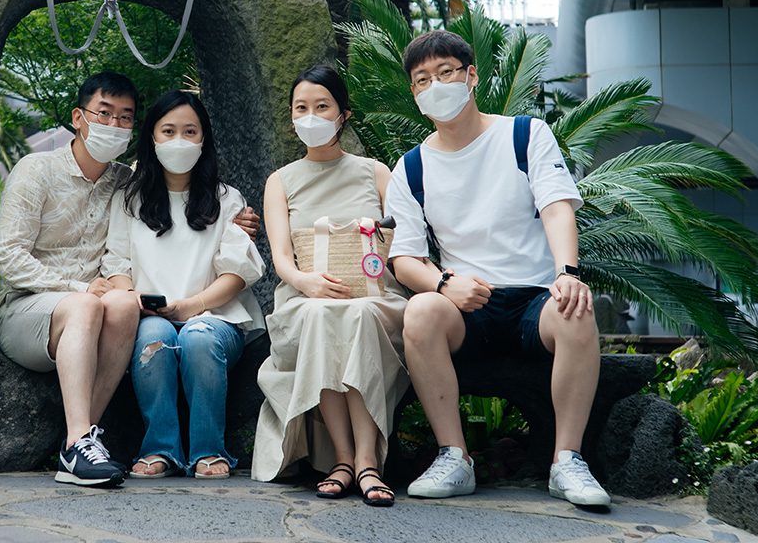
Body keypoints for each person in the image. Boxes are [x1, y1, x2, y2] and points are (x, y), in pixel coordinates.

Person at [386, 30, 610, 507]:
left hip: (535, 299)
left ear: (471, 76)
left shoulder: (525, 135)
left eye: (445, 73)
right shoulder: (410, 168)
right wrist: (445, 284)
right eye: (422, 79)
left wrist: (567, 272)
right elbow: (404, 257)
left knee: (575, 308)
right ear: (414, 93)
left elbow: (556, 207)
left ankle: (567, 461)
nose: (435, 85)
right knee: (421, 312)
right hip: (469, 305)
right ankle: (454, 457)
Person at [251, 65, 407, 507]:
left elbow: (404, 241)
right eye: (302, 107)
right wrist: (306, 282)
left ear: (343, 115)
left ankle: (366, 461)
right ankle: (342, 459)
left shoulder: (375, 172)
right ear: (291, 116)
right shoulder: (280, 181)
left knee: (356, 315)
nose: (311, 115)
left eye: (322, 106)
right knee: (322, 317)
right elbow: (281, 257)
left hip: (375, 297)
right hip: (305, 297)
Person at [0, 71, 144, 487]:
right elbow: (8, 256)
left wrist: (234, 216)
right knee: (86, 304)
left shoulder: (126, 182)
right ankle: (79, 442)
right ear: (79, 116)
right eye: (104, 113)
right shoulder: (36, 169)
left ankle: (80, 443)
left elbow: (169, 215)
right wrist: (77, 288)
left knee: (125, 304)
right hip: (27, 310)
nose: (114, 126)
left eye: (125, 118)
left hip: (92, 308)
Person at [103, 90, 265, 480]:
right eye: (169, 131)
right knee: (153, 337)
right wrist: (134, 297)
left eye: (189, 131)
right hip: (149, 314)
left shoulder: (228, 201)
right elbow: (116, 261)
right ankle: (161, 448)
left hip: (217, 317)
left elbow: (236, 272)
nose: (179, 141)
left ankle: (209, 450)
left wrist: (190, 307)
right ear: (152, 139)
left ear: (203, 138)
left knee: (198, 336)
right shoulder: (130, 198)